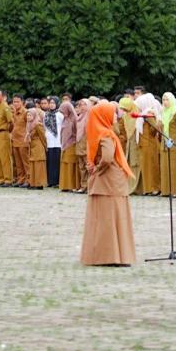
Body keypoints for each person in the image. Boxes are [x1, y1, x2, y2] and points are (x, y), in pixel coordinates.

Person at [80, 102, 136, 267]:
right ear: (104, 115)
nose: (115, 116)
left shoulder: (97, 131)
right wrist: (98, 167)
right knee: (114, 217)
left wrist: (96, 168)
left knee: (105, 218)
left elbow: (104, 157)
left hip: (106, 181)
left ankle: (105, 255)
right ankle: (117, 255)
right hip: (111, 180)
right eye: (112, 113)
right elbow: (108, 157)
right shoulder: (106, 133)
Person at [157, 92, 176, 197]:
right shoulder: (162, 113)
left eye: (167, 100)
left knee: (175, 167)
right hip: (165, 143)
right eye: (163, 100)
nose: (165, 102)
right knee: (165, 167)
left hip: (174, 143)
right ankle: (166, 190)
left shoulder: (175, 113)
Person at [135, 93, 162, 196]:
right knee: (147, 167)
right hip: (145, 144)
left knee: (152, 167)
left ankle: (154, 188)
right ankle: (148, 189)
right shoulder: (143, 114)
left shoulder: (148, 113)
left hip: (149, 144)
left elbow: (154, 128)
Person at [0, 90, 14, 187]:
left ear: (3, 97)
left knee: (5, 158)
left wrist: (7, 132)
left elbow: (11, 121)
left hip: (3, 133)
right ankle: (0, 179)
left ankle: (8, 180)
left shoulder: (5, 107)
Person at [59, 101, 80, 191]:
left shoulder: (74, 119)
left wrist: (73, 141)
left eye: (63, 111)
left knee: (71, 165)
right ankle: (65, 186)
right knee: (65, 164)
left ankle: (72, 185)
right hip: (64, 145)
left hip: (72, 144)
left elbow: (77, 132)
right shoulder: (65, 119)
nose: (63, 113)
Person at [11, 94, 30, 187]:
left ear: (23, 102)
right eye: (14, 101)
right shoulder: (14, 113)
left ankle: (28, 179)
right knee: (18, 163)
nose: (15, 103)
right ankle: (20, 179)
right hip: (15, 140)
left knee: (25, 162)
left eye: (18, 101)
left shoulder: (26, 113)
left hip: (23, 141)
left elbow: (29, 126)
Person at [26, 108, 47, 189]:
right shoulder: (29, 124)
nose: (28, 117)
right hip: (32, 146)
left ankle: (39, 184)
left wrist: (45, 146)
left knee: (38, 165)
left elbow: (43, 136)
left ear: (34, 115)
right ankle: (33, 183)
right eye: (27, 115)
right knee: (33, 165)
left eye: (30, 115)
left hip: (38, 146)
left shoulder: (38, 124)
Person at [75, 99, 92, 193]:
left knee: (88, 166)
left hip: (87, 144)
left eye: (84, 104)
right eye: (80, 105)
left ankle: (90, 186)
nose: (82, 106)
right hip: (79, 143)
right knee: (81, 167)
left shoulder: (90, 116)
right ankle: (83, 185)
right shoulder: (79, 117)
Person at [44, 96, 63, 187]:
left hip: (58, 141)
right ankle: (50, 181)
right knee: (50, 161)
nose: (51, 105)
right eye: (50, 103)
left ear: (57, 104)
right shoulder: (45, 114)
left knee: (57, 161)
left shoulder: (60, 115)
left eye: (53, 103)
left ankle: (57, 181)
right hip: (49, 141)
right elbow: (44, 127)